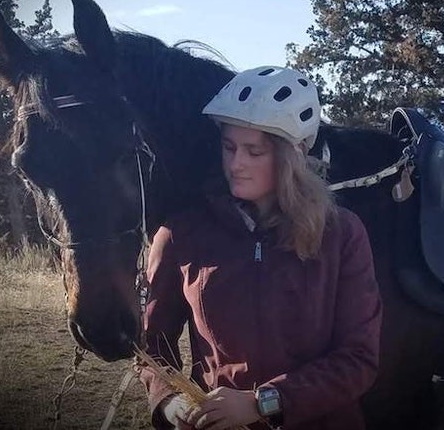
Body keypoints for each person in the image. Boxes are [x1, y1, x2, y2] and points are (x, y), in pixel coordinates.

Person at [139, 66, 382, 430]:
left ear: (294, 155)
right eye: (229, 147)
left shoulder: (342, 234)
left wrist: (263, 403)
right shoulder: (180, 233)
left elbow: (359, 359)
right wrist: (171, 401)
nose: (236, 164)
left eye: (255, 151)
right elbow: (152, 346)